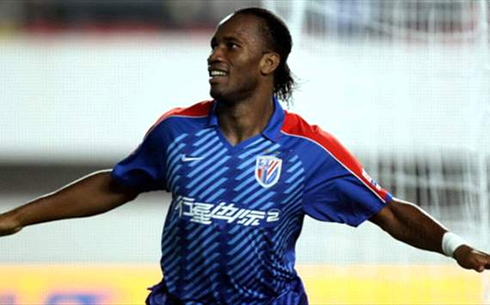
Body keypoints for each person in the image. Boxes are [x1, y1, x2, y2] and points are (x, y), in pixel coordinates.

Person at [0, 7, 489, 305]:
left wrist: (456, 248)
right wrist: (18, 218)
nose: (215, 55)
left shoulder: (308, 150)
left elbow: (387, 210)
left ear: (267, 63)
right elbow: (115, 184)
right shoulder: (177, 130)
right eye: (214, 45)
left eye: (231, 46)